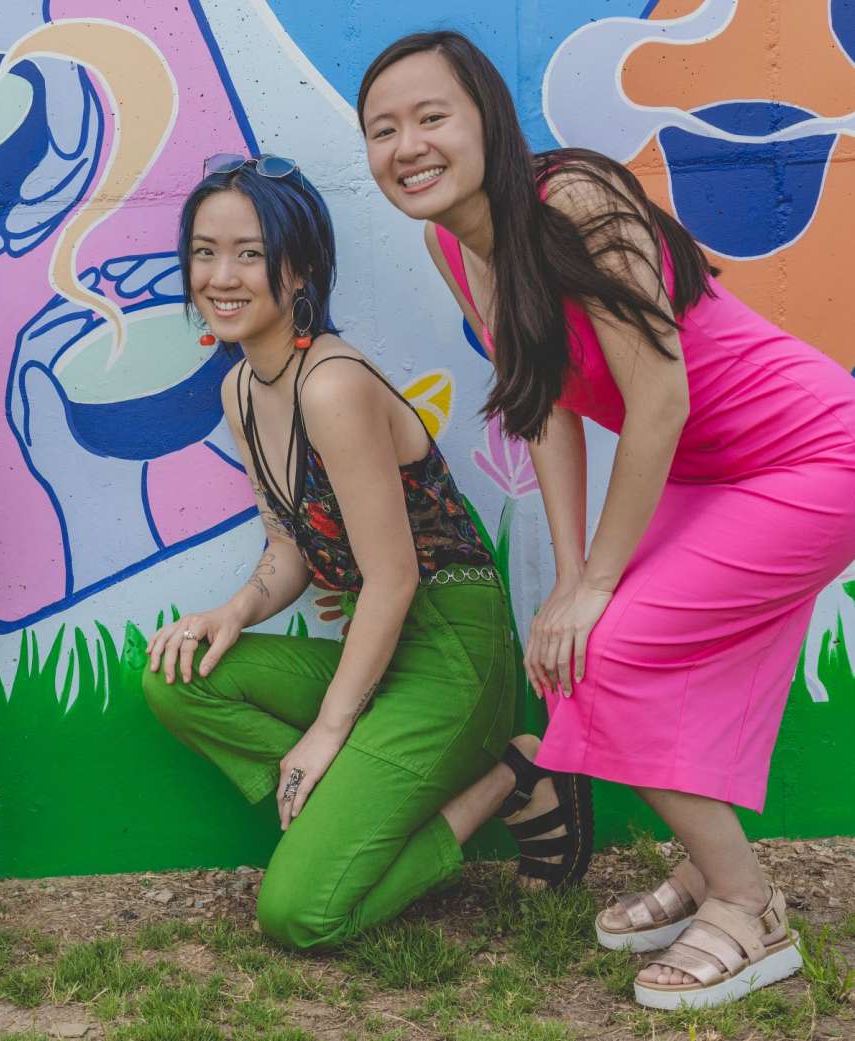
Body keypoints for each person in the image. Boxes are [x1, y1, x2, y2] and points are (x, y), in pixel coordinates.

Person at [357, 30, 855, 1009]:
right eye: (382, 130)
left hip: (809, 455)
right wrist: (570, 577)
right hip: (700, 471)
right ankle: (712, 872)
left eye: (430, 117)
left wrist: (594, 590)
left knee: (611, 649)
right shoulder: (451, 244)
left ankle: (750, 910)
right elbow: (545, 405)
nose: (406, 145)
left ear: (486, 122)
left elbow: (658, 394)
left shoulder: (572, 199)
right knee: (577, 652)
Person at [142, 154, 594, 951]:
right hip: (378, 648)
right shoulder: (240, 388)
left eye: (250, 252)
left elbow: (393, 577)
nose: (221, 274)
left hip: (449, 647)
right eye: (204, 250)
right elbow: (289, 546)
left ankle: (512, 773)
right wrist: (232, 610)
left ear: (302, 267)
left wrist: (325, 732)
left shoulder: (331, 384)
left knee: (299, 913)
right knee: (175, 674)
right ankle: (356, 791)